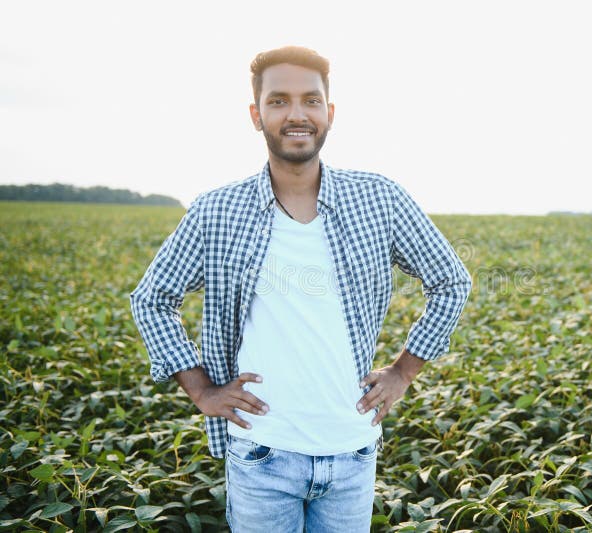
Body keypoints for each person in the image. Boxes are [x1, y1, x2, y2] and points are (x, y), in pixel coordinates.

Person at [129, 45, 471, 532]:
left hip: (351, 451)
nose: (296, 114)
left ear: (329, 113)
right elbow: (152, 298)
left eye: (311, 100)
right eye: (278, 100)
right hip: (260, 453)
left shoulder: (379, 199)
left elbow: (451, 279)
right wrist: (201, 390)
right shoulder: (217, 210)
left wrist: (402, 372)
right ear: (256, 114)